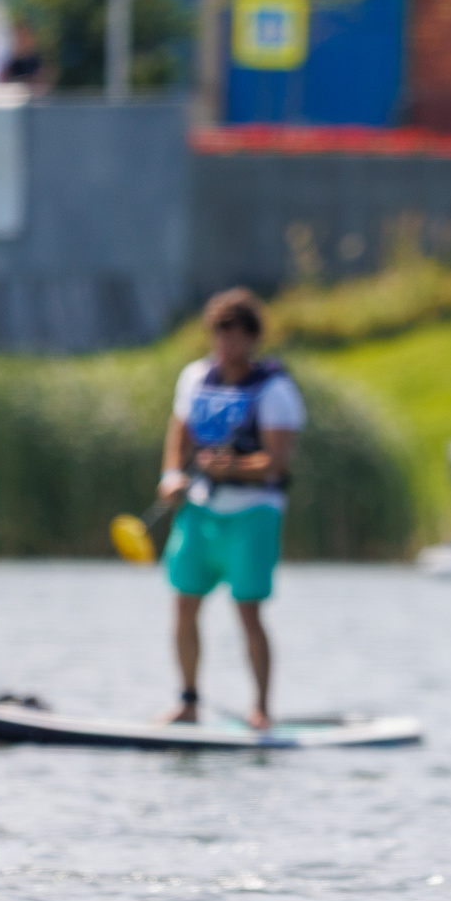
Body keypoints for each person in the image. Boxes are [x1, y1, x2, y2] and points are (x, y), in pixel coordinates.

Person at [157, 288, 304, 729]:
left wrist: (234, 466)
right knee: (184, 605)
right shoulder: (195, 378)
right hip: (201, 512)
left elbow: (277, 461)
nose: (226, 346)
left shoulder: (275, 389)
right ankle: (187, 701)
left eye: (235, 336)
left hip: (253, 513)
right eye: (219, 336)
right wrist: (171, 475)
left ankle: (260, 708)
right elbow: (178, 434)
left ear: (252, 338)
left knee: (248, 611)